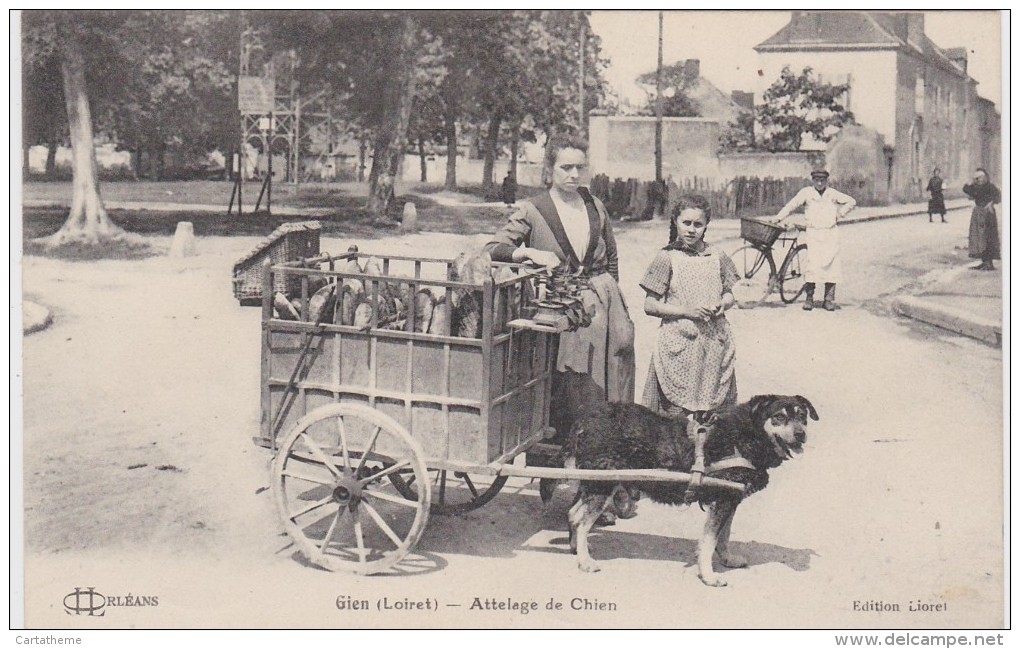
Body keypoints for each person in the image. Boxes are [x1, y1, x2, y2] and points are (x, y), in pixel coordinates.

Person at [485, 135, 636, 439]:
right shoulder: (534, 210)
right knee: (569, 379)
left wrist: (610, 296)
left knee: (612, 370)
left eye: (580, 167)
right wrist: (528, 252)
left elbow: (612, 256)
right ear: (550, 169)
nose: (574, 175)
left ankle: (607, 444)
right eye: (566, 167)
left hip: (602, 304)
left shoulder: (595, 206)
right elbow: (494, 247)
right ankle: (562, 450)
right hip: (558, 308)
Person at [640, 195, 739, 420]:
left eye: (698, 224)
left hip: (714, 343)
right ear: (676, 221)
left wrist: (724, 304)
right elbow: (649, 304)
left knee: (716, 413)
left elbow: (730, 293)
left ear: (706, 226)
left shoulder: (718, 255)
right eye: (686, 223)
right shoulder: (667, 257)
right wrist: (686, 311)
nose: (692, 230)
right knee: (673, 419)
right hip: (678, 345)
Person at [774, 169, 856, 311]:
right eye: (817, 180)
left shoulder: (832, 194)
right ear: (812, 181)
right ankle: (809, 298)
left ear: (826, 181)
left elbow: (851, 201)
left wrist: (839, 214)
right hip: (813, 233)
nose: (819, 183)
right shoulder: (806, 193)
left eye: (822, 180)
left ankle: (828, 300)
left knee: (832, 266)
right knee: (812, 266)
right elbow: (791, 205)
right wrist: (778, 218)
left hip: (830, 233)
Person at [963, 168, 1001, 271]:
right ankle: (984, 262)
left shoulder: (990, 186)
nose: (978, 180)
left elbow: (998, 196)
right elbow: (966, 189)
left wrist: (991, 203)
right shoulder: (977, 187)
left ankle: (989, 263)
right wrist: (970, 182)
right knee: (979, 238)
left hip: (988, 214)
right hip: (978, 212)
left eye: (980, 178)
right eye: (977, 178)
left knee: (987, 236)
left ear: (985, 177)